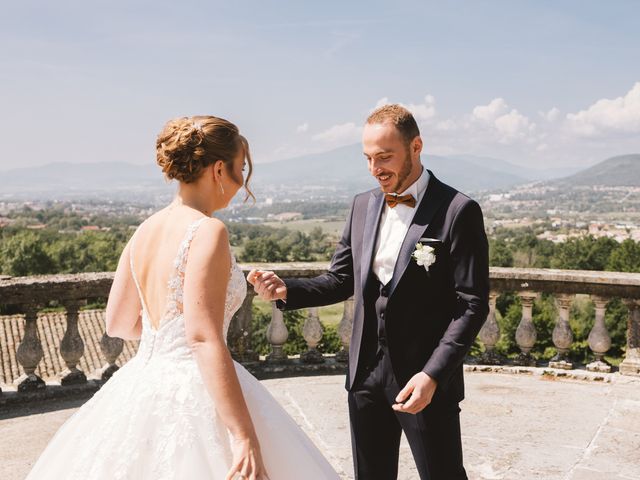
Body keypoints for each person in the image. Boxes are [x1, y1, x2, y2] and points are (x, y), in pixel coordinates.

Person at [26, 115, 340, 480]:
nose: (241, 185)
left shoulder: (144, 230)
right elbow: (203, 337)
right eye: (241, 170)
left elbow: (120, 322)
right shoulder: (208, 231)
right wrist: (243, 436)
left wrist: (168, 331)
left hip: (139, 385)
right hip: (195, 390)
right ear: (219, 169)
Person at [249, 104, 490, 480]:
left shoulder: (458, 210)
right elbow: (340, 279)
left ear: (416, 146)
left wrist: (433, 375)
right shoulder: (362, 205)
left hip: (423, 379)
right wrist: (286, 289)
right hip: (364, 376)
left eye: (384, 157)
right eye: (368, 158)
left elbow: (471, 305)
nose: (375, 168)